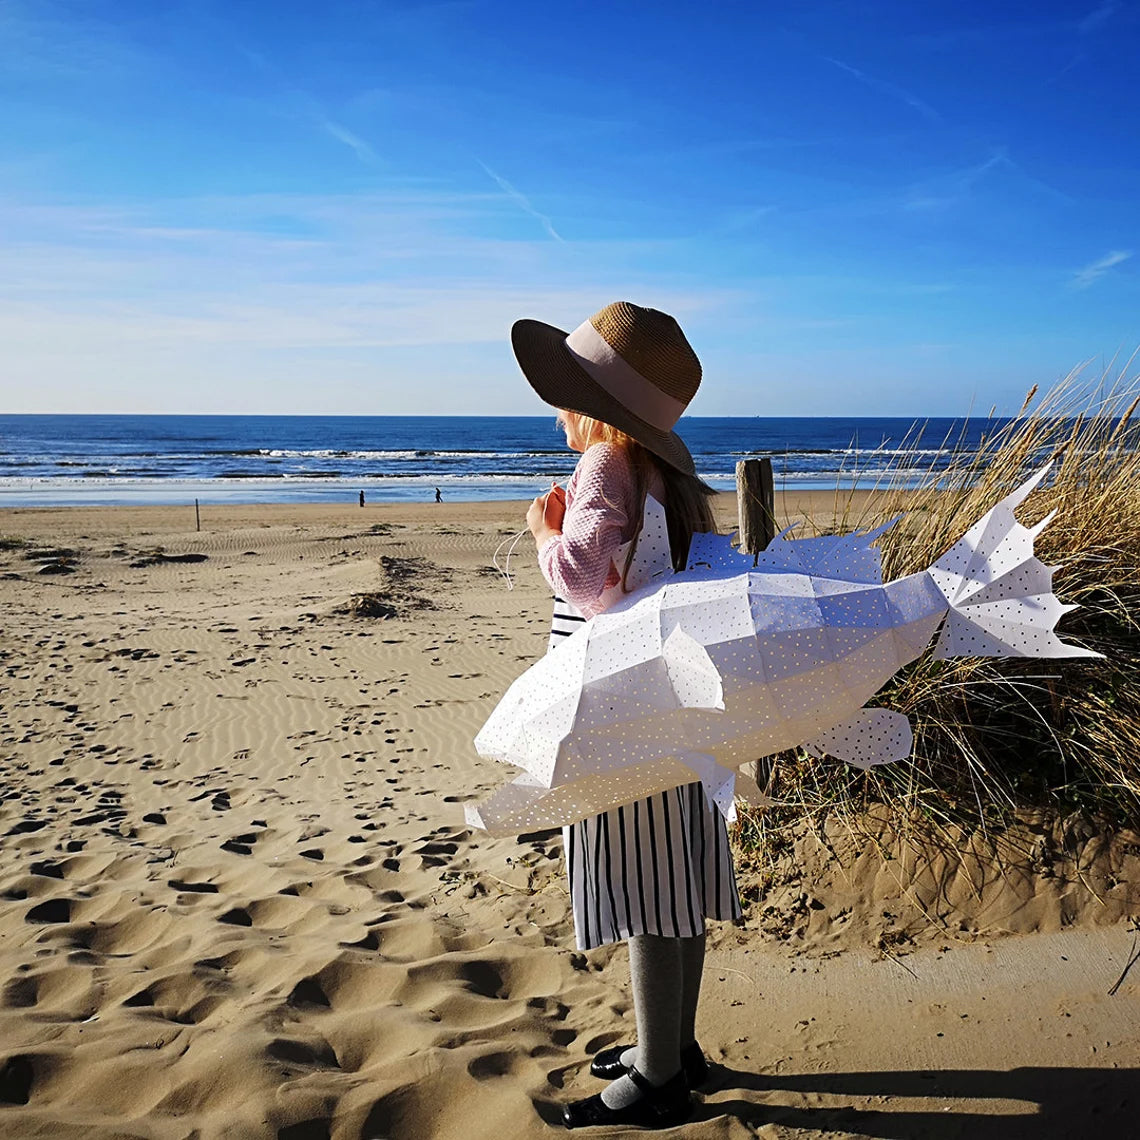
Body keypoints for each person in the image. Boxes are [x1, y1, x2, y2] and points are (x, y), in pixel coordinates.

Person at [516, 301, 742, 1130]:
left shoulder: (605, 467)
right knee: (676, 882)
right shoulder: (668, 480)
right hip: (671, 702)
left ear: (591, 405)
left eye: (565, 391)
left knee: (645, 888)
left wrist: (545, 531)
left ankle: (657, 1079)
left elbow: (581, 576)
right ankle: (674, 1047)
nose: (556, 407)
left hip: (621, 706)